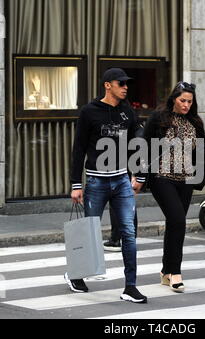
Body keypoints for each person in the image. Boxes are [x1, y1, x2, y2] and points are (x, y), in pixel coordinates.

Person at [132, 81, 205, 293]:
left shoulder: (195, 122)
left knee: (175, 224)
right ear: (174, 99)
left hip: (186, 179)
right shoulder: (159, 118)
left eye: (189, 101)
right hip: (161, 176)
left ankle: (166, 271)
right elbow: (143, 145)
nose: (186, 105)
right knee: (178, 220)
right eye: (182, 100)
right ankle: (175, 273)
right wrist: (138, 175)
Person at [65, 68, 147, 304]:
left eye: (126, 83)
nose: (125, 87)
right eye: (120, 83)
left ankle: (130, 287)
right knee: (90, 232)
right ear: (107, 85)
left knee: (129, 234)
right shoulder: (89, 112)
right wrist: (75, 184)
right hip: (96, 181)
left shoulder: (126, 111)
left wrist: (139, 174)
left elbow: (137, 144)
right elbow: (78, 148)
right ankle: (76, 275)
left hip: (121, 181)